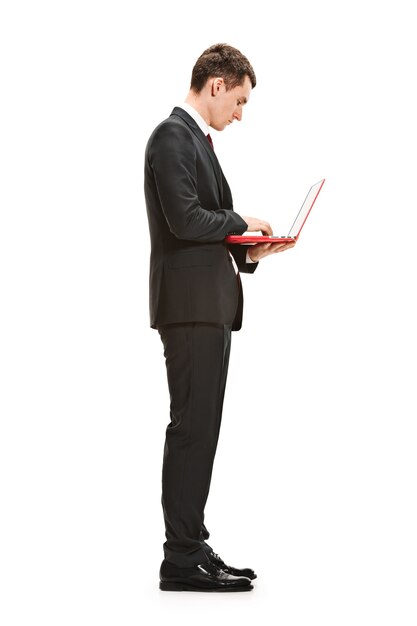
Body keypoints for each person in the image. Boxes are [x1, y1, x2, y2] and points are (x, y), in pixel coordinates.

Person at [144, 43, 295, 592]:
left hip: (207, 308)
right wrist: (240, 219)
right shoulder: (170, 136)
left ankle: (191, 543)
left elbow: (201, 228)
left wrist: (250, 252)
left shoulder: (194, 141)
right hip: (188, 311)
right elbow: (185, 219)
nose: (240, 113)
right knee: (191, 430)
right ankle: (180, 558)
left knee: (202, 430)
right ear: (215, 85)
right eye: (239, 100)